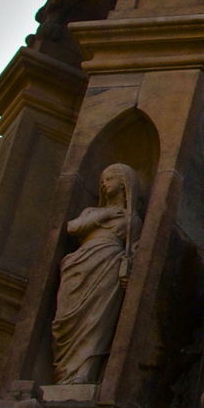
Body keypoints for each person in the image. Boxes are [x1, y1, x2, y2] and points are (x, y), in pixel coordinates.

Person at [51, 164, 143, 385]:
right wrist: (107, 214)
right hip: (79, 265)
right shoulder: (92, 212)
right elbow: (73, 228)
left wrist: (127, 267)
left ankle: (84, 373)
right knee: (63, 320)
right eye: (103, 180)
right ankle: (65, 372)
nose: (104, 183)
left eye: (110, 179)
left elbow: (135, 249)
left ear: (124, 183)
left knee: (97, 320)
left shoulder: (133, 220)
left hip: (108, 265)